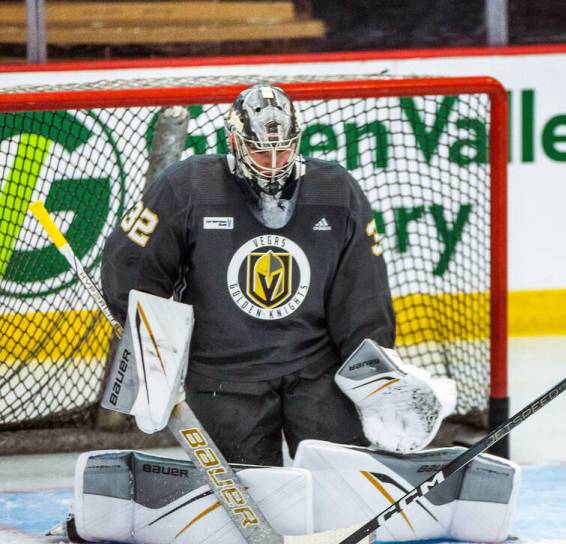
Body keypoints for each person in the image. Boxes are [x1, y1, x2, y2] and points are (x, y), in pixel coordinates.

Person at [101, 84, 395, 467]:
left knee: (345, 483)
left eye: (283, 149)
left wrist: (375, 381)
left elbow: (363, 295)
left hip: (317, 371)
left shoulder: (335, 190)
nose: (273, 163)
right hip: (223, 375)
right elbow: (130, 267)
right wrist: (157, 356)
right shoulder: (187, 187)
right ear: (234, 141)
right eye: (260, 150)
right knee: (247, 498)